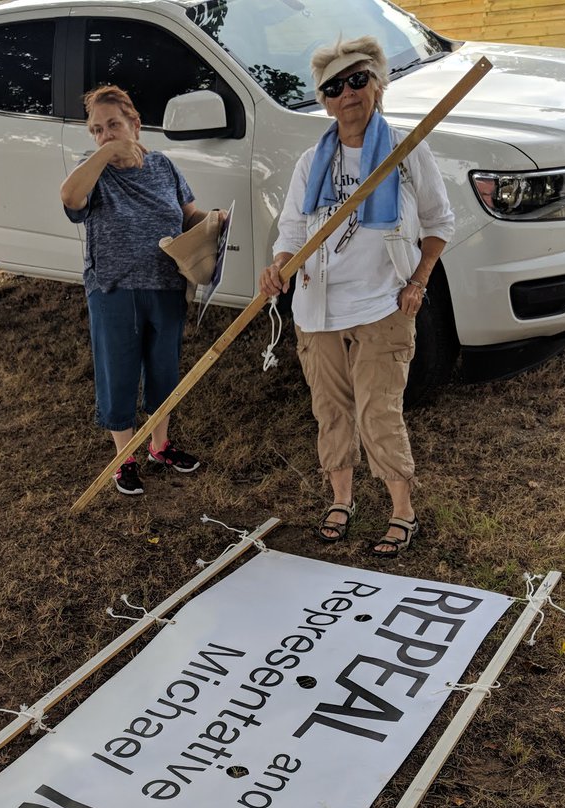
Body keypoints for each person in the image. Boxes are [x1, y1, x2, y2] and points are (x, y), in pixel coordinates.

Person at [259, 37, 455, 555]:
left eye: (357, 80)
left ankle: (401, 511)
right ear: (323, 100)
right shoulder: (311, 160)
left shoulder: (406, 150)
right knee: (331, 410)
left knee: (378, 410)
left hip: (382, 303)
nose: (347, 94)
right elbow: (293, 229)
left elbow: (439, 222)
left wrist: (419, 281)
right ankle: (341, 501)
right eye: (333, 87)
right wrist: (279, 265)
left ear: (377, 85)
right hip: (316, 306)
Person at [60, 85, 211, 496]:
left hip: (165, 283)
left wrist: (213, 222)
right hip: (113, 286)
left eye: (114, 125)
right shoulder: (91, 170)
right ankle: (122, 458)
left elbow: (187, 214)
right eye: (96, 129)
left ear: (135, 124)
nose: (105, 134)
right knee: (119, 372)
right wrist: (107, 152)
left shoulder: (163, 166)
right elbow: (70, 198)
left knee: (163, 368)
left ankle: (160, 446)